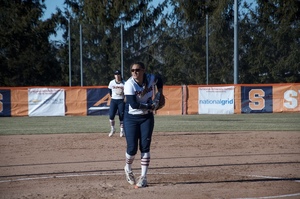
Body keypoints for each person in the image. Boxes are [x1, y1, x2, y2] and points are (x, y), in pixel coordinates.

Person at [123, 61, 163, 188]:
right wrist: (150, 105)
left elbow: (159, 79)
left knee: (145, 146)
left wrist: (160, 92)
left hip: (146, 117)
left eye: (138, 70)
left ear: (143, 70)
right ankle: (128, 169)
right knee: (132, 148)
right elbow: (133, 104)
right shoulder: (129, 84)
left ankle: (143, 177)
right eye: (133, 70)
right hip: (131, 118)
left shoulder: (151, 78)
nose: (135, 72)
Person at [108, 70, 125, 137]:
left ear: (120, 75)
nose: (117, 76)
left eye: (118, 75)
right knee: (111, 116)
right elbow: (109, 90)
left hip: (121, 101)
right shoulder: (112, 82)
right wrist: (112, 95)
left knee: (121, 116)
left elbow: (127, 92)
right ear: (114, 76)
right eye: (116, 75)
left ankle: (122, 131)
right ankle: (113, 129)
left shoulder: (124, 83)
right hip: (114, 100)